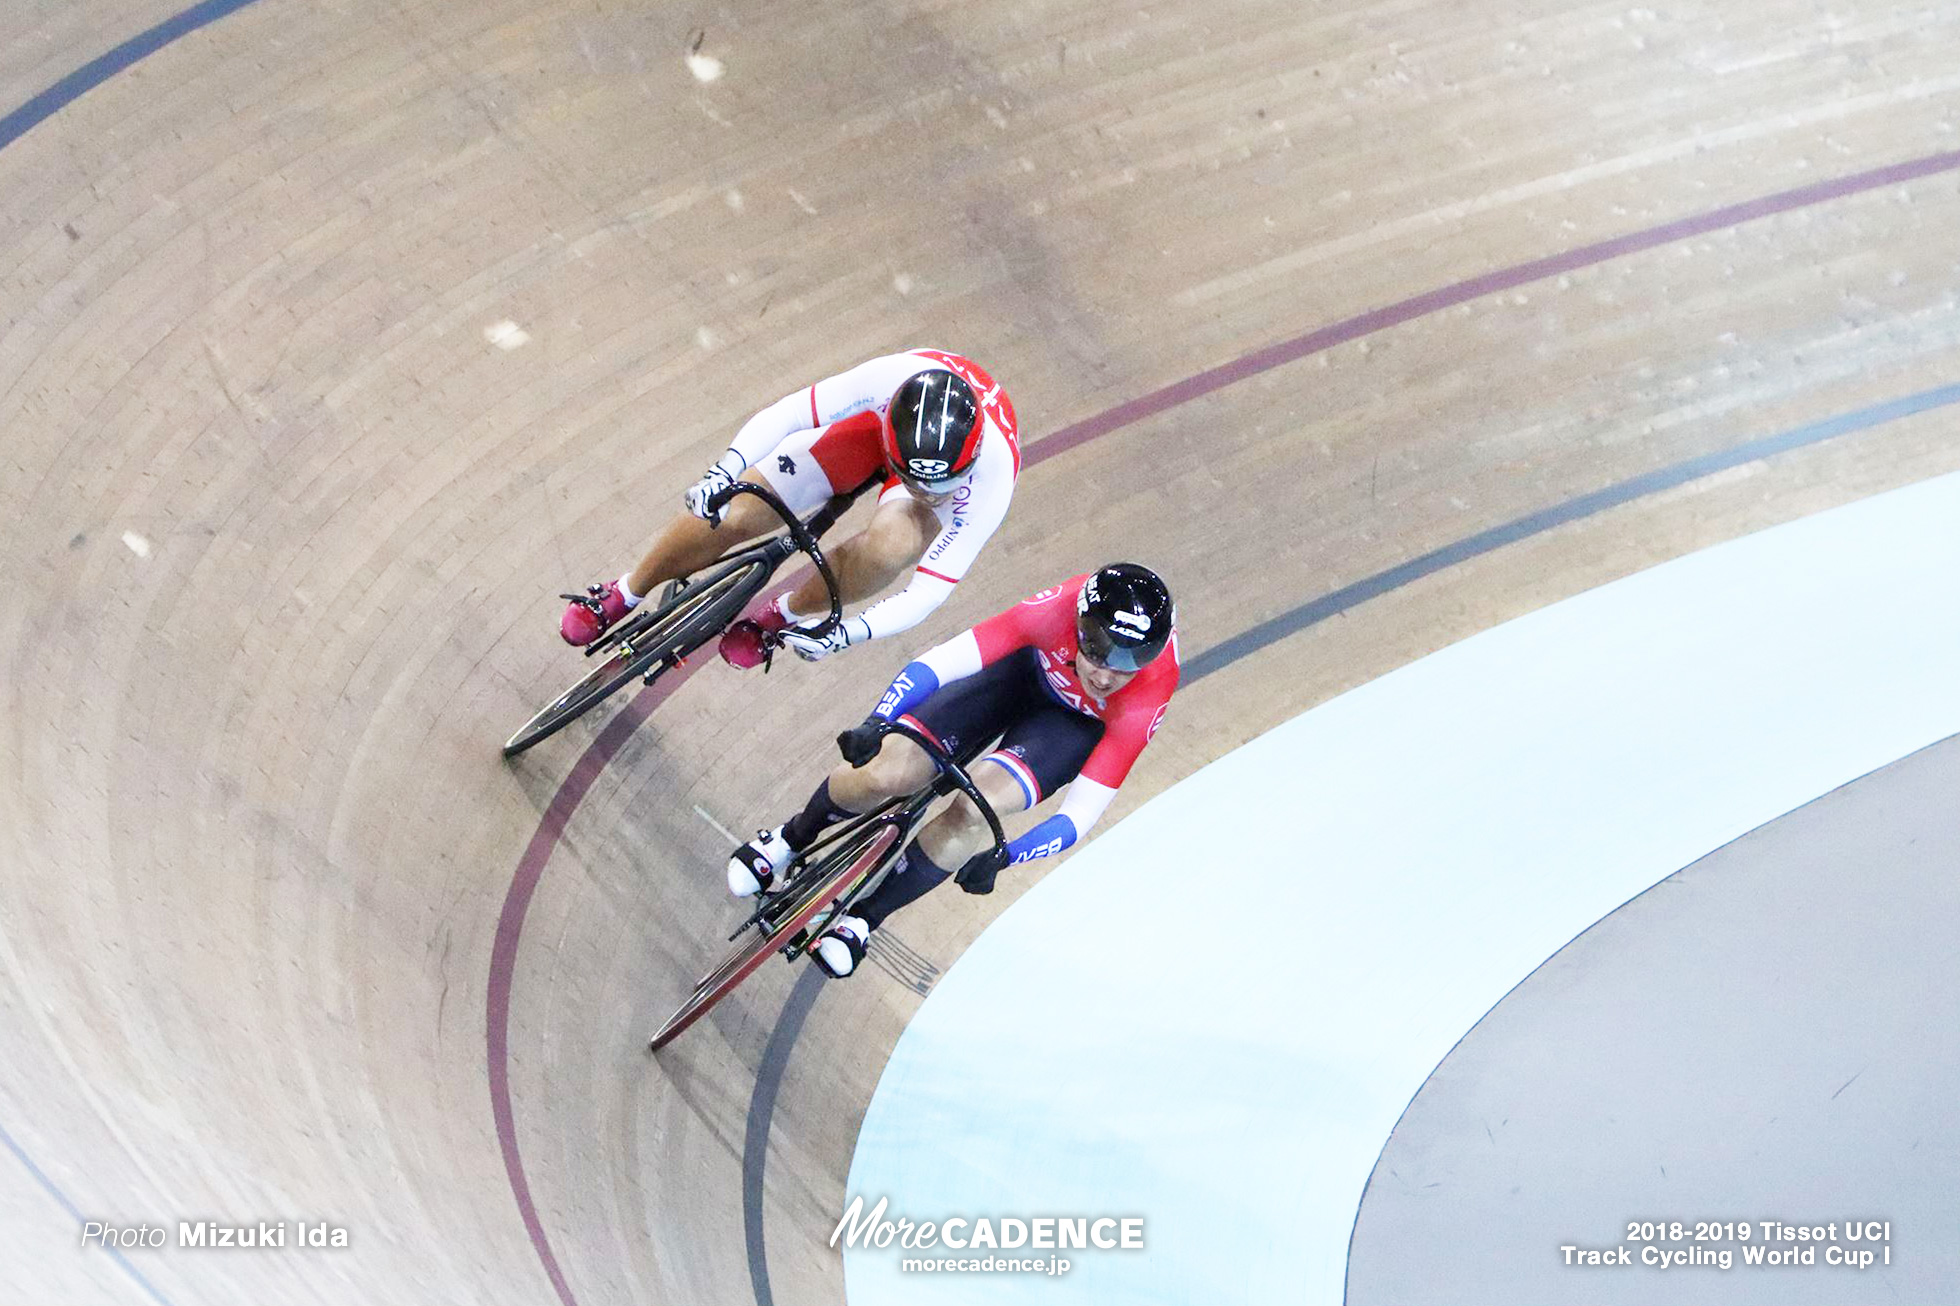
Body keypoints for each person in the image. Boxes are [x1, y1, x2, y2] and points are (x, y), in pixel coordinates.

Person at [727, 563, 1179, 978]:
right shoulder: (1055, 611)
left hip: (1070, 727)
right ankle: (790, 838)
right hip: (1021, 671)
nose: (1106, 675)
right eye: (1098, 651)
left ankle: (864, 919)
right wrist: (877, 721)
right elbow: (942, 662)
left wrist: (1007, 855)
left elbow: (1080, 815)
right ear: (1079, 626)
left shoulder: (1150, 691)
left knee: (975, 810)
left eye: (1129, 662)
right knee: (889, 773)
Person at [559, 350, 1019, 667]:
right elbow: (791, 414)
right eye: (916, 479)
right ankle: (626, 591)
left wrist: (845, 633)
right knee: (734, 511)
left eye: (940, 485)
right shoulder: (890, 379)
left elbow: (929, 592)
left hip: (928, 465)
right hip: (873, 433)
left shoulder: (994, 476)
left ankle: (783, 615)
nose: (928, 490)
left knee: (889, 549)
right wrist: (725, 470)